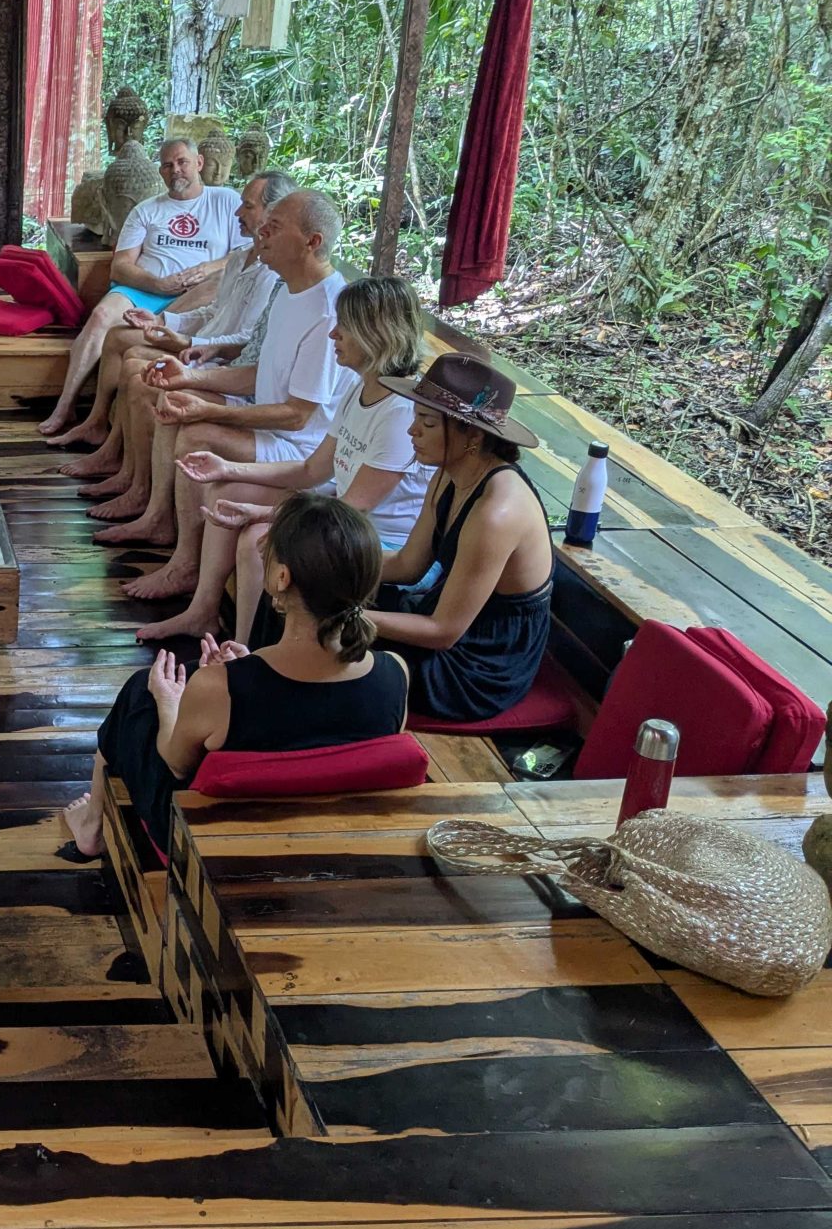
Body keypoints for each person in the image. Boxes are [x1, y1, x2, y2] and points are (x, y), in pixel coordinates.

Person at [64, 494, 409, 855]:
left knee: (140, 691)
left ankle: (91, 828)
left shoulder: (220, 688)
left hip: (220, 834)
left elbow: (176, 763)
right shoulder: (395, 674)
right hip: (339, 831)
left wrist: (170, 701)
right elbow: (323, 738)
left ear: (281, 577)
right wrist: (246, 668)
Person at [142, 275, 432, 643]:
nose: (334, 335)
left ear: (376, 333)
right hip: (341, 513)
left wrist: (262, 514)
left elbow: (349, 510)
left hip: (375, 538)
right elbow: (312, 469)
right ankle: (203, 611)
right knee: (230, 491)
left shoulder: (400, 412)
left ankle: (247, 650)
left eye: (345, 326)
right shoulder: (363, 387)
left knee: (257, 541)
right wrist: (227, 468)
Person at [100, 192, 358, 603]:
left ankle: (184, 565)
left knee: (196, 433)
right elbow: (260, 373)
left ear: (312, 241)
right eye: (264, 223)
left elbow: (297, 416)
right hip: (271, 420)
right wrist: (191, 377)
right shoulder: (291, 290)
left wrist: (207, 406)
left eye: (275, 226)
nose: (262, 232)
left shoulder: (328, 310)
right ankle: (157, 517)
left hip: (299, 447)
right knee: (175, 406)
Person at [53, 170, 295, 463]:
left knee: (137, 370)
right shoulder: (242, 256)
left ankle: (119, 464)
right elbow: (214, 311)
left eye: (247, 205)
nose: (238, 211)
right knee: (117, 335)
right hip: (193, 333)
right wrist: (163, 322)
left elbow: (245, 340)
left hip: (215, 356)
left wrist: (186, 339)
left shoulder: (274, 273)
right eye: (167, 164)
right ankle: (98, 429)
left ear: (274, 213)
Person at [368, 354, 555, 723]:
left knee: (336, 647)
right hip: (445, 615)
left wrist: (354, 617)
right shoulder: (446, 475)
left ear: (472, 435)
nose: (412, 432)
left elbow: (443, 632)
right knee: (302, 600)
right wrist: (326, 567)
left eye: (426, 422)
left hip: (480, 664)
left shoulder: (496, 512)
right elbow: (408, 565)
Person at [37, 141, 244, 438]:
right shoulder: (147, 210)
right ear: (160, 171)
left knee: (214, 284)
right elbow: (120, 267)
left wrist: (208, 268)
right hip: (146, 287)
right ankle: (65, 405)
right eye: (167, 165)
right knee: (100, 317)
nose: (176, 170)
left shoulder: (225, 201)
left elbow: (242, 257)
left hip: (197, 292)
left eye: (182, 162)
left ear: (199, 162)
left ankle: (106, 417)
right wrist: (158, 283)